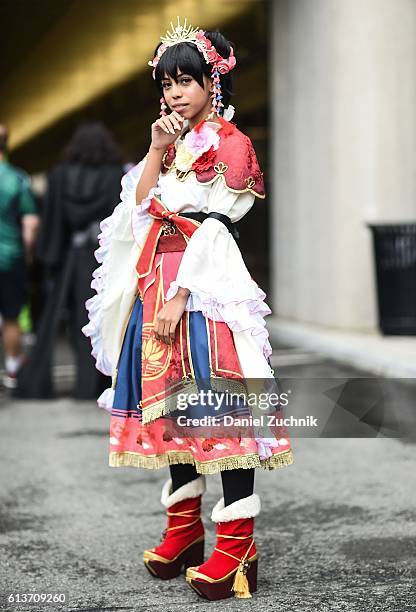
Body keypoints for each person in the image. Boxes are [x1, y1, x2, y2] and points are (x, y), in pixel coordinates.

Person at [83, 18, 294, 600]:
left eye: (186, 81)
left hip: (204, 292)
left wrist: (181, 295)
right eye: (167, 82)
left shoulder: (232, 144)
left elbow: (218, 227)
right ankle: (184, 531)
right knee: (174, 413)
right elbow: (141, 208)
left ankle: (236, 543)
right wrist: (155, 148)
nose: (175, 92)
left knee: (219, 408)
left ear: (211, 82)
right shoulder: (170, 143)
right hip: (158, 285)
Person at [15, 122, 125, 400]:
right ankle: (96, 384)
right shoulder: (114, 175)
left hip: (71, 257)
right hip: (103, 258)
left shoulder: (59, 175)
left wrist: (49, 260)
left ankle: (49, 384)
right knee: (101, 320)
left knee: (66, 320)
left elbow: (52, 220)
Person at [0, 124, 39, 389]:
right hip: (9, 257)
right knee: (12, 315)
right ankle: (12, 367)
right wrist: (27, 253)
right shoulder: (17, 178)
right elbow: (31, 223)